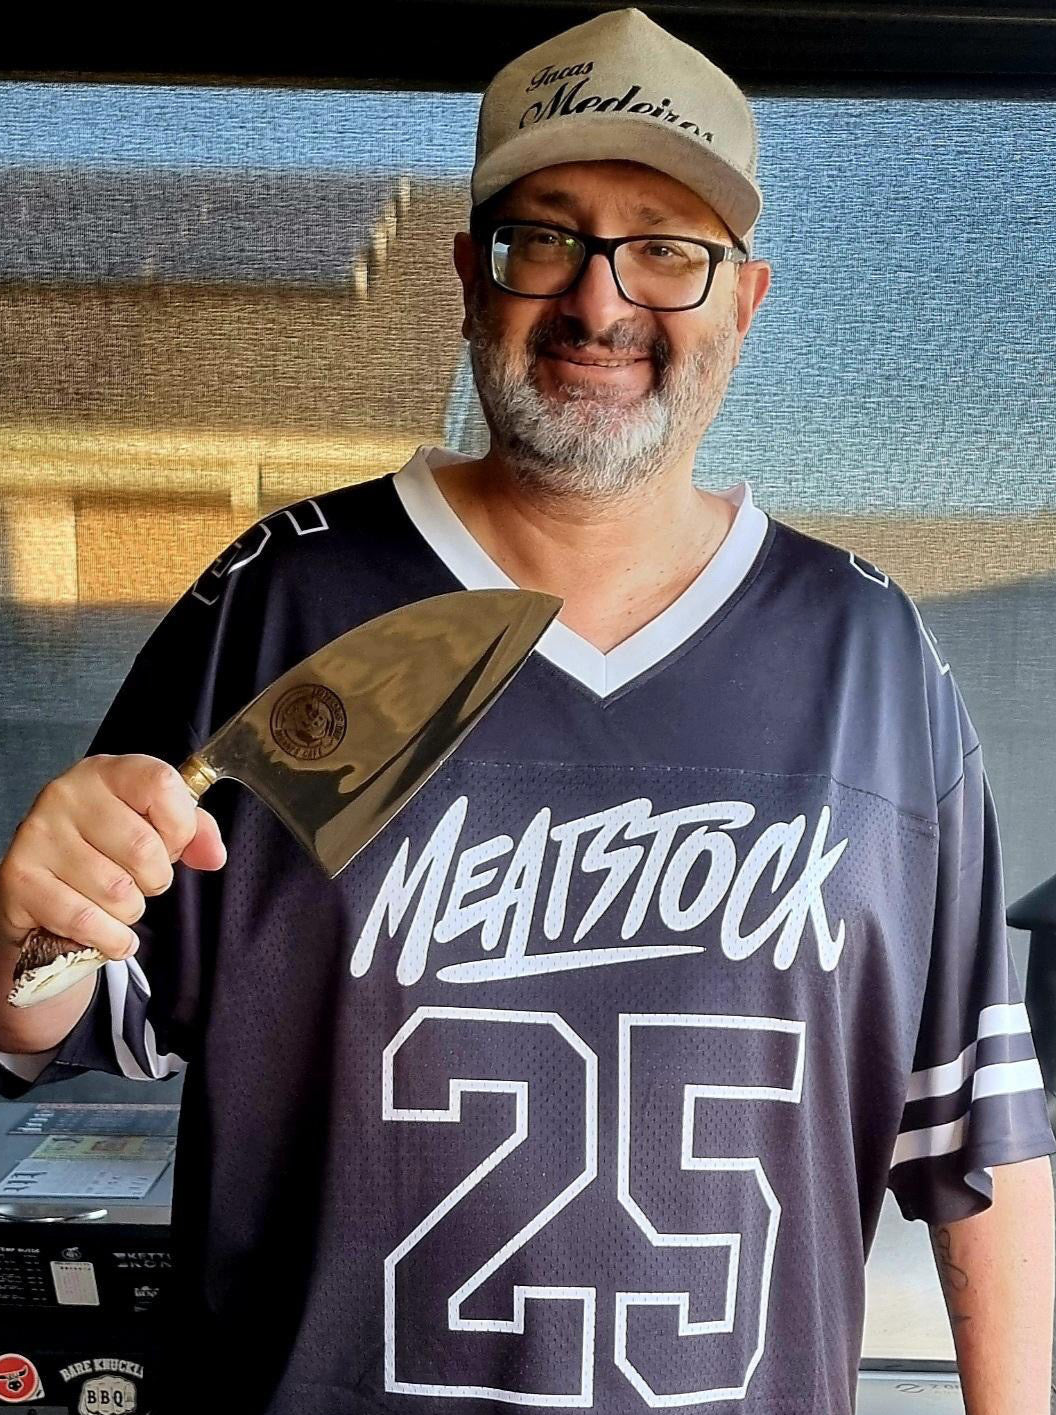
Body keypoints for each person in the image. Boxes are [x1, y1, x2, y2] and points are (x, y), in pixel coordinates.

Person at [1, 8, 1053, 1412]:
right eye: (545, 239)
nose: (601, 305)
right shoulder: (287, 608)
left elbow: (978, 1132)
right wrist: (31, 929)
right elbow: (63, 1018)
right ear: (469, 277)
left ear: (745, 301)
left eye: (666, 251)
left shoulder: (868, 657)